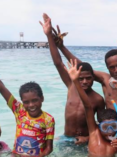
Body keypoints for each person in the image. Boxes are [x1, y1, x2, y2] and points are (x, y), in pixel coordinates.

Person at [39, 13, 105, 145]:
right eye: (81, 78)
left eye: (88, 78)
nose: (85, 81)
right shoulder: (71, 86)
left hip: (85, 141)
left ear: (93, 78)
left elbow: (103, 125)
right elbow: (58, 63)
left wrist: (87, 139)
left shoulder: (98, 99)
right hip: (66, 138)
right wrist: (49, 37)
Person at [0, 42, 55, 157]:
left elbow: (49, 148)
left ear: (42, 99)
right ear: (22, 102)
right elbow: (0, 87)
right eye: (26, 102)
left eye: (35, 100)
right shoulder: (19, 110)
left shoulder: (48, 119)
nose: (31, 105)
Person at [65, 59, 117, 157]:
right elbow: (88, 107)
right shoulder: (95, 133)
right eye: (105, 127)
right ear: (99, 127)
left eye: (113, 126)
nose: (109, 131)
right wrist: (75, 81)